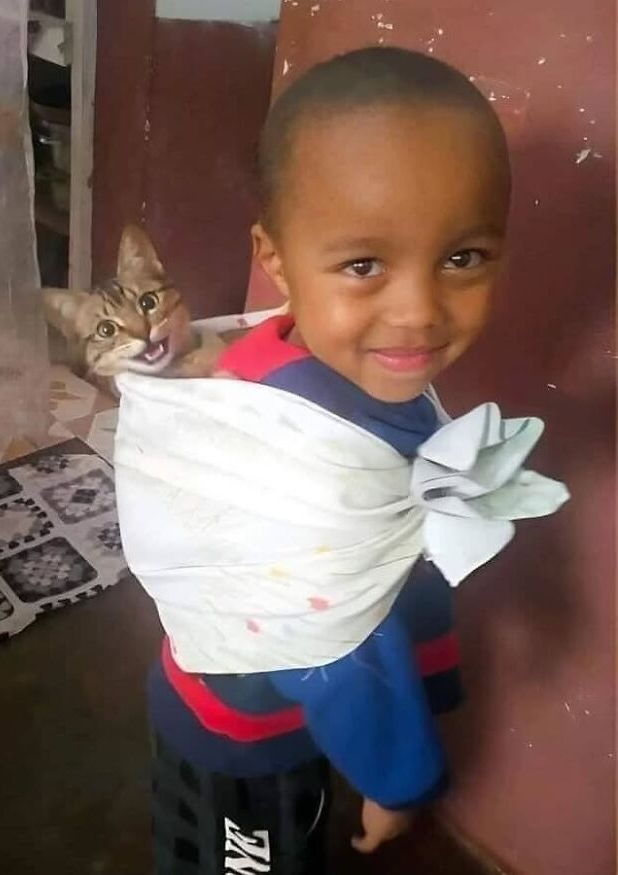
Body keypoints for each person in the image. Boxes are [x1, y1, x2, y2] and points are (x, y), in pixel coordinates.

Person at [146, 46, 512, 874]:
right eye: (363, 264)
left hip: (293, 713)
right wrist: (399, 781)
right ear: (276, 259)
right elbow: (337, 647)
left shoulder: (287, 349)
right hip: (246, 738)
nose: (418, 312)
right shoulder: (294, 454)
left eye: (463, 256)